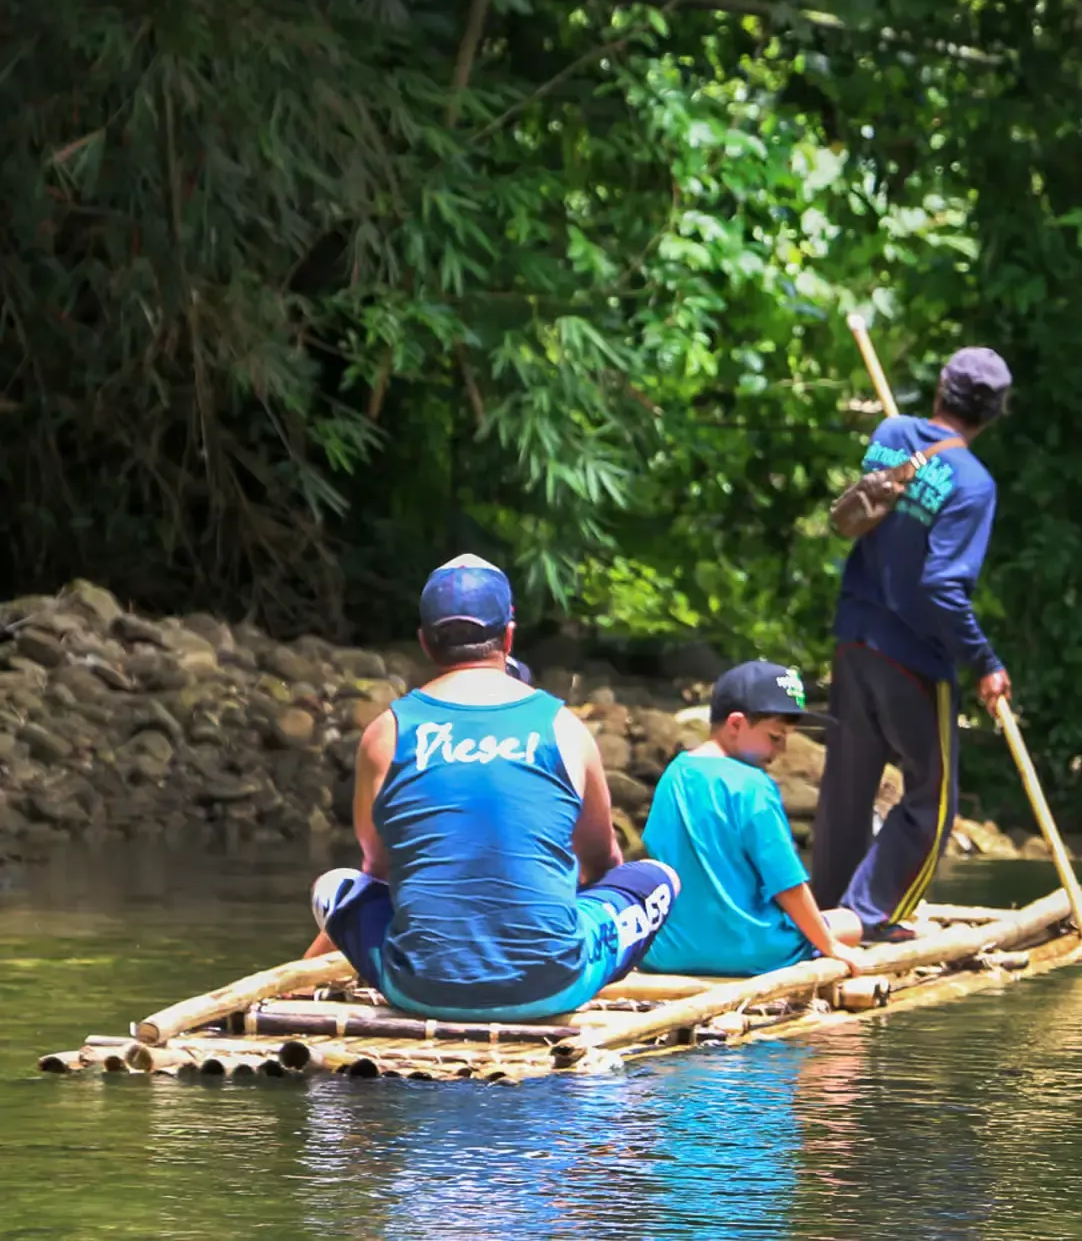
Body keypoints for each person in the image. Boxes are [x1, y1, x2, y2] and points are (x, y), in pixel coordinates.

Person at [303, 554, 680, 1021]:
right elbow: (603, 863)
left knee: (334, 885)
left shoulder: (385, 734)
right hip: (553, 984)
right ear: (508, 637)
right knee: (658, 879)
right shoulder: (563, 727)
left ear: (425, 642)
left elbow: (378, 871)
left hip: (419, 989)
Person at [812, 346, 1013, 940]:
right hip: (912, 657)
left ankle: (827, 912)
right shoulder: (974, 485)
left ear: (940, 391)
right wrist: (984, 662)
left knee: (847, 785)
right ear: (993, 415)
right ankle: (869, 915)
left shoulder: (893, 432)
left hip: (854, 640)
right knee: (933, 796)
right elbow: (942, 586)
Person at [640, 660, 864, 977]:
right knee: (850, 922)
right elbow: (787, 884)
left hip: (668, 952)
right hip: (750, 954)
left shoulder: (674, 774)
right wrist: (830, 946)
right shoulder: (753, 785)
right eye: (776, 737)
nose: (782, 749)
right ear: (735, 724)